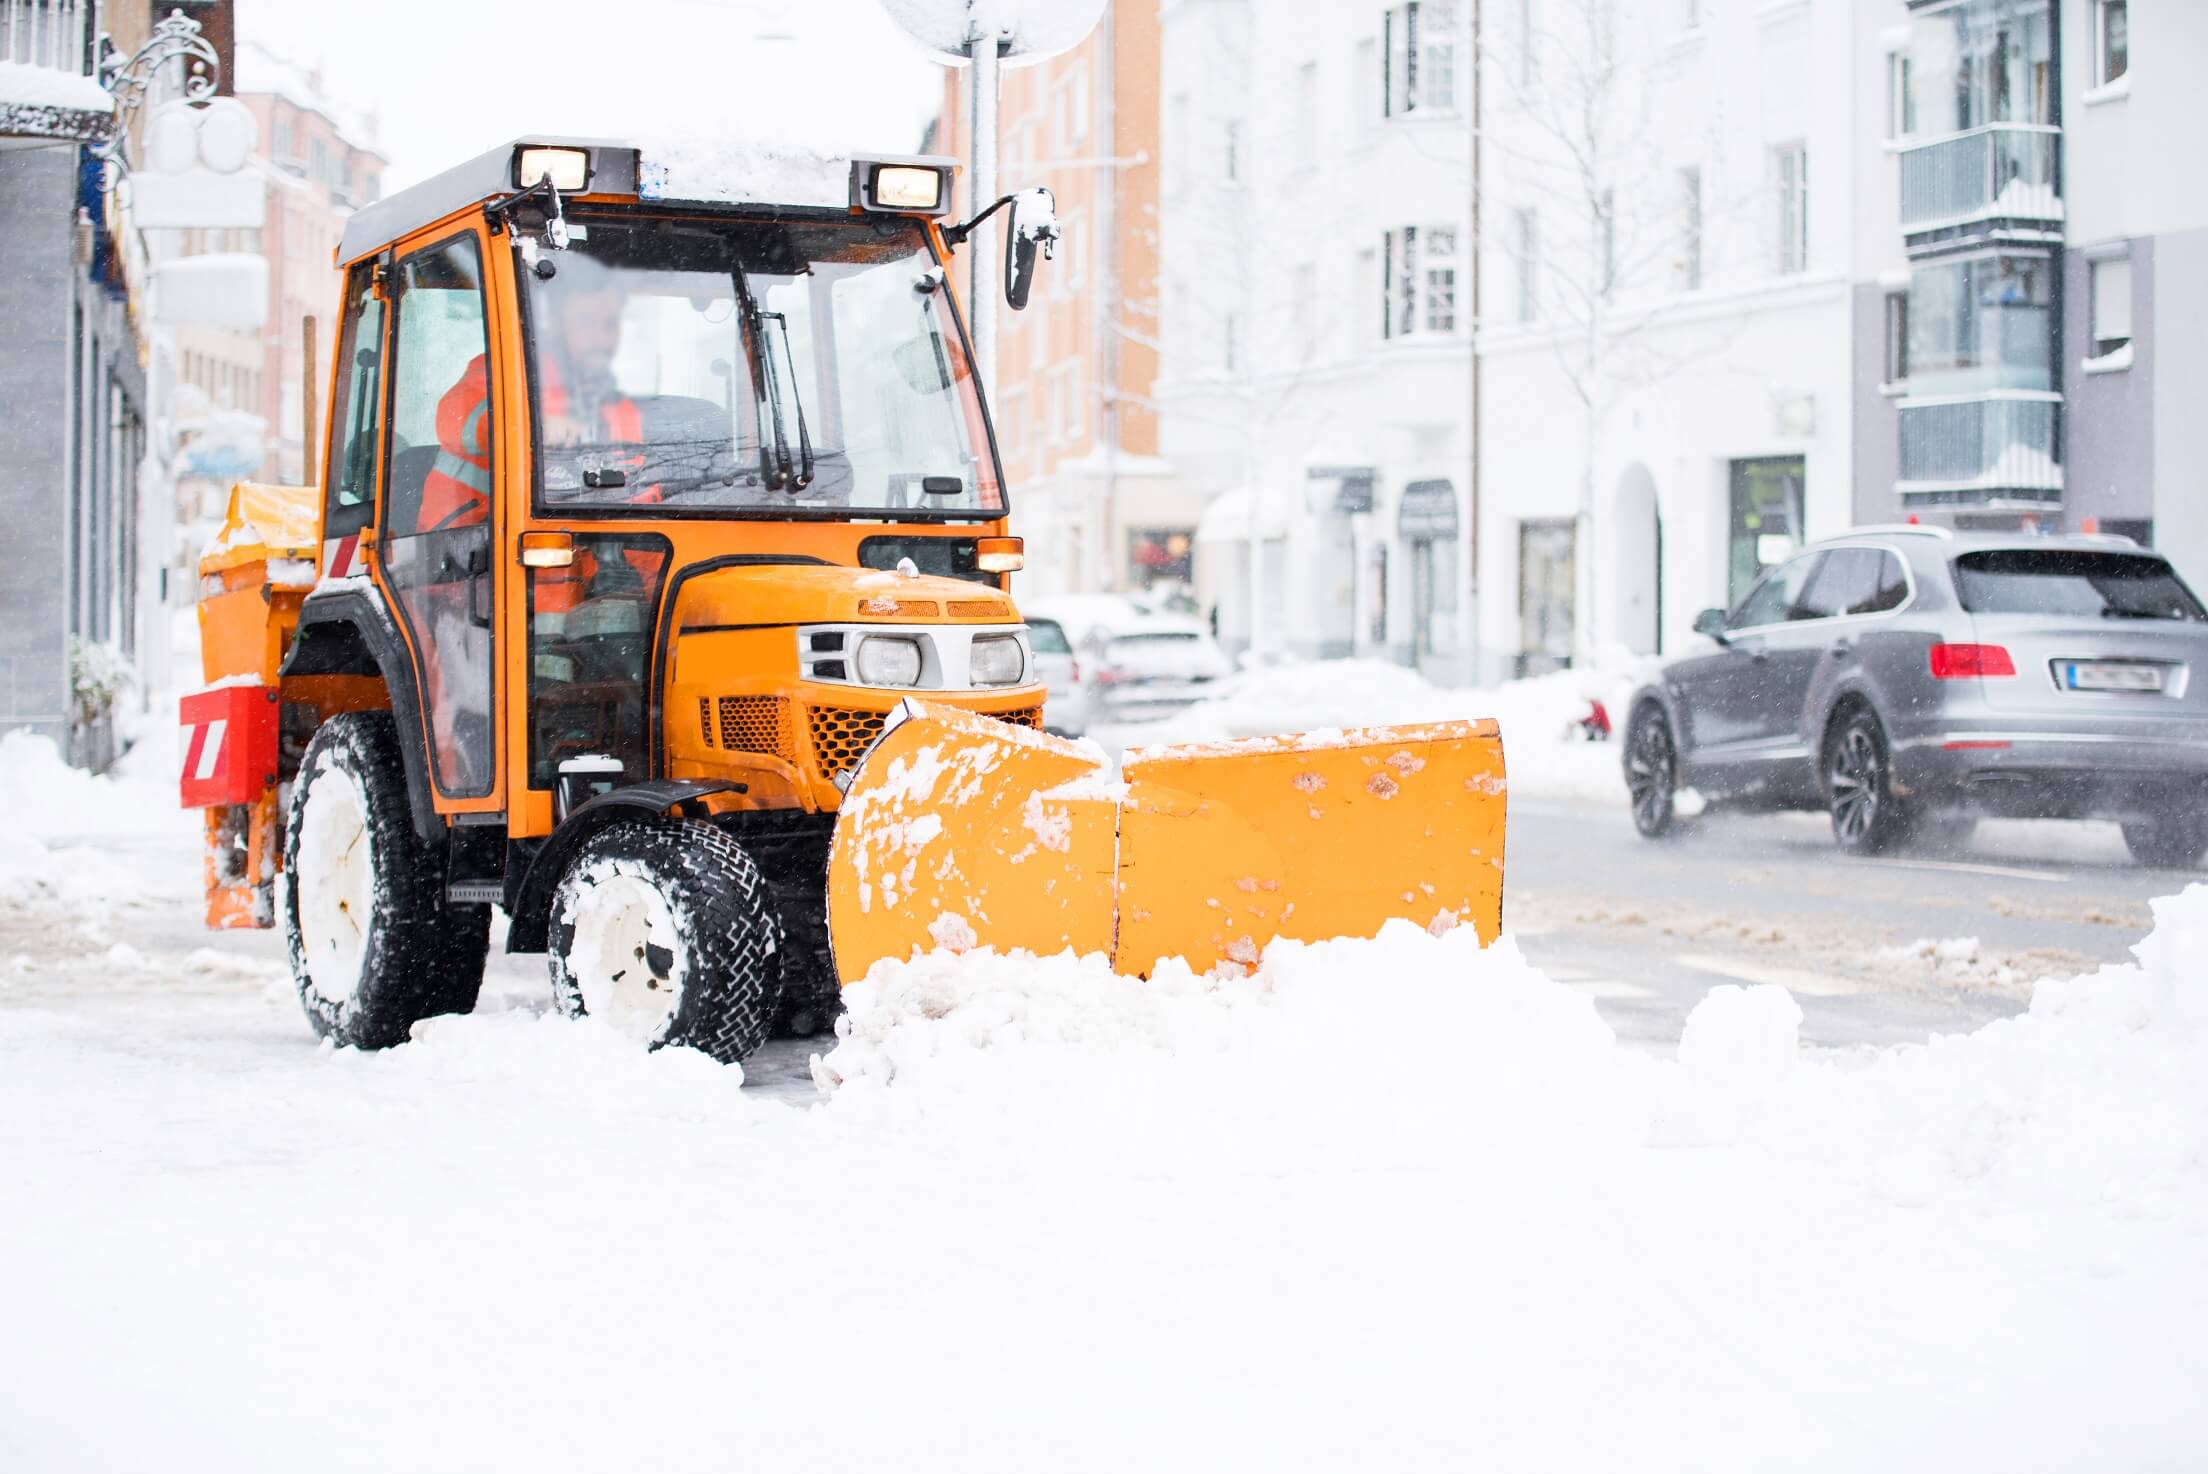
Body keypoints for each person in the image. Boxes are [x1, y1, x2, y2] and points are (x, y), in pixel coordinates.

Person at [415, 251, 646, 534]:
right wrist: (527, 426)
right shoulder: (508, 367)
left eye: (609, 325)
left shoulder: (620, 409)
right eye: (587, 322)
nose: (601, 335)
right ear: (559, 326)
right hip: (467, 547)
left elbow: (641, 499)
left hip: (575, 556)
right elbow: (455, 418)